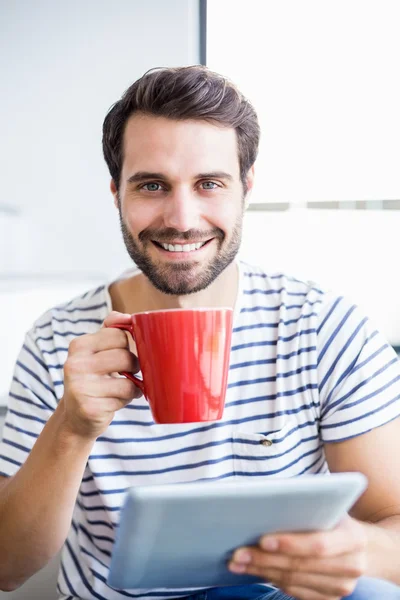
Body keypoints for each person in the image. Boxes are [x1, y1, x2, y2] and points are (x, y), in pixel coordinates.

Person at [0, 65, 400, 600]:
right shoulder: (56, 341)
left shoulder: (322, 327)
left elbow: (392, 523)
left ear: (246, 187)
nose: (182, 218)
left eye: (209, 183)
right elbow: (6, 568)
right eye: (152, 185)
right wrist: (71, 430)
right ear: (116, 191)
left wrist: (361, 550)